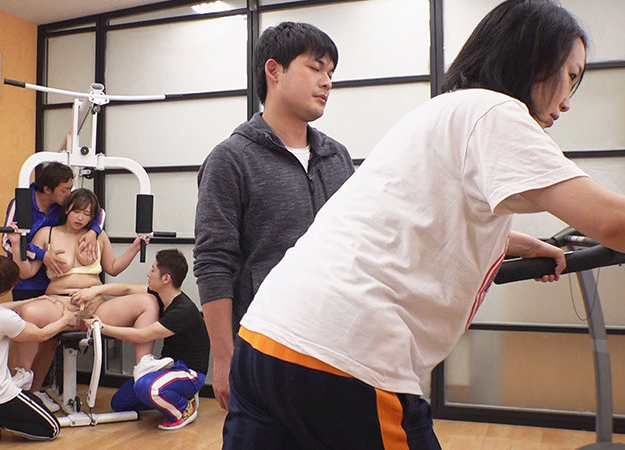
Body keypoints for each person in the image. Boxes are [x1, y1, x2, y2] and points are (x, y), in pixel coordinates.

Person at [223, 1, 625, 447]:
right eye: (569, 76)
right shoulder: (496, 113)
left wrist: (518, 243)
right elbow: (612, 222)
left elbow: (420, 217)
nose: (567, 101)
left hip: (266, 337)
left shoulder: (443, 111)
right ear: (533, 59)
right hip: (343, 354)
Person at [193, 21, 355, 410]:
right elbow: (213, 262)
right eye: (315, 68)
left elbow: (360, 243)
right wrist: (224, 357)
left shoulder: (337, 156)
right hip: (265, 348)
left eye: (331, 72)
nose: (327, 82)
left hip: (338, 344)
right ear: (274, 70)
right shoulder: (231, 159)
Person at [8, 188, 159, 410]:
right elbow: (26, 272)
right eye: (77, 211)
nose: (81, 218)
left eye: (87, 214)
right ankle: (24, 377)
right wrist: (15, 245)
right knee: (27, 313)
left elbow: (113, 268)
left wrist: (134, 248)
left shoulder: (98, 236)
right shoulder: (47, 233)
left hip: (96, 305)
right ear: (66, 209)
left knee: (148, 302)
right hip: (60, 304)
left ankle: (143, 367)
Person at [72, 249, 210, 431]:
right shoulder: (160, 296)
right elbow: (126, 289)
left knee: (148, 388)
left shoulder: (182, 311)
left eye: (153, 270)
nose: (148, 274)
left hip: (189, 373)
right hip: (168, 367)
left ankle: (184, 408)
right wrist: (94, 290)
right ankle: (175, 395)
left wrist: (100, 326)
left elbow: (141, 335)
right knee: (120, 403)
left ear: (166, 279)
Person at [0, 255, 76, 448]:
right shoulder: (2, 318)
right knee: (52, 428)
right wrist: (65, 320)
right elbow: (41, 334)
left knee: (32, 404)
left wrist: (34, 300)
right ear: (6, 289)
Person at [2, 161, 105, 301]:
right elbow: (7, 242)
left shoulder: (62, 204)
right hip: (26, 281)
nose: (69, 194)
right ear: (48, 189)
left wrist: (93, 232)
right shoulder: (20, 204)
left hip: (53, 278)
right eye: (64, 190)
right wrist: (41, 254)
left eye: (70, 189)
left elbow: (99, 212)